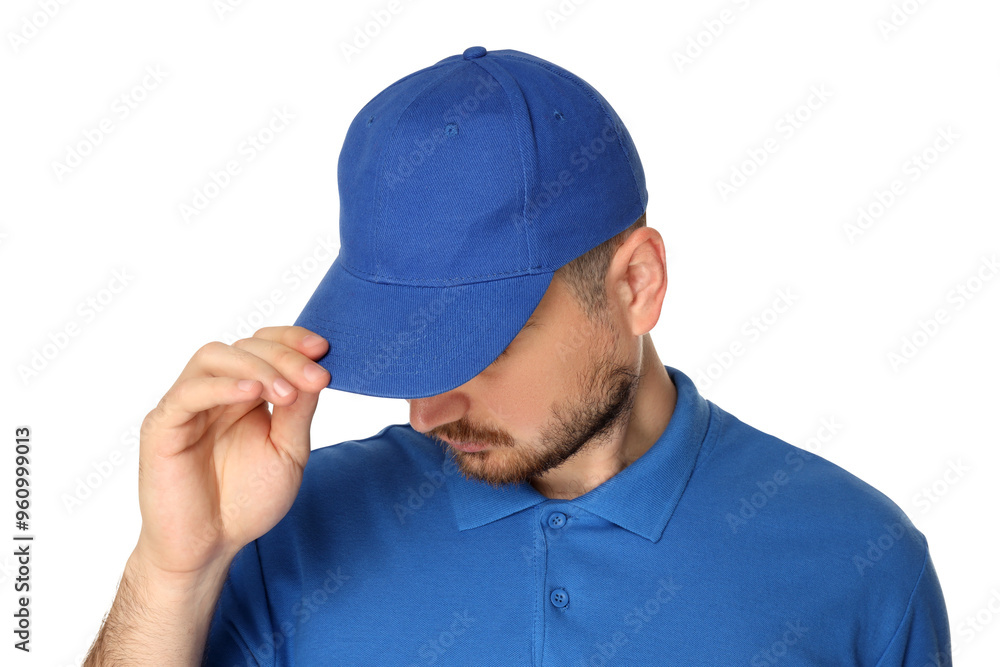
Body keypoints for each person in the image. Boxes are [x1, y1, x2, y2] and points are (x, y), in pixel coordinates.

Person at [85, 47, 951, 666]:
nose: (426, 411)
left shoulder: (859, 564)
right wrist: (174, 570)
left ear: (636, 285)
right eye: (403, 349)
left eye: (476, 343)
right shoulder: (283, 534)